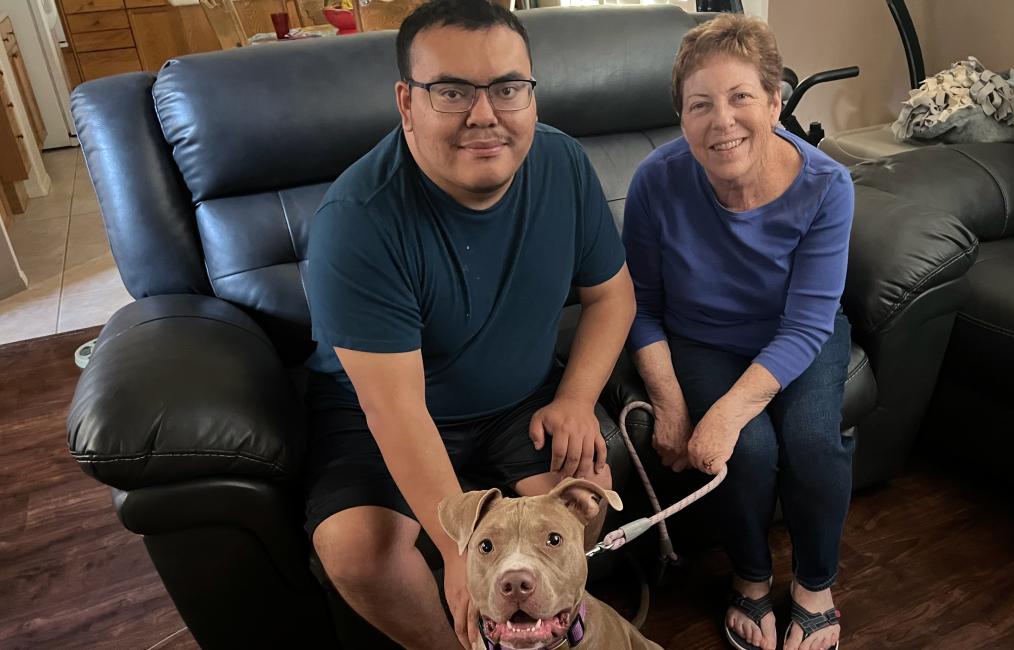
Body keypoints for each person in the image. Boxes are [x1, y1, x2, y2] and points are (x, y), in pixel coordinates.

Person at [302, 0, 636, 647]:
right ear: (407, 102)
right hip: (384, 414)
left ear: (530, 96)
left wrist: (575, 399)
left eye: (508, 88)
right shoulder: (358, 220)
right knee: (357, 549)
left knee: (586, 493)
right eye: (452, 92)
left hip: (521, 401)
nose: (485, 115)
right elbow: (396, 410)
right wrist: (458, 552)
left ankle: (549, 630)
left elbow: (612, 297)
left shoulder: (563, 164)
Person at [622, 13, 853, 650]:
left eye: (741, 96)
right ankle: (750, 578)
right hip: (702, 337)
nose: (721, 121)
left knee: (811, 440)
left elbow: (807, 323)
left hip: (799, 332)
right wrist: (672, 404)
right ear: (681, 117)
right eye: (700, 104)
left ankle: (816, 585)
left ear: (775, 103)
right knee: (746, 450)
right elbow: (637, 306)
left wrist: (723, 414)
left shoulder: (827, 186)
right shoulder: (655, 181)